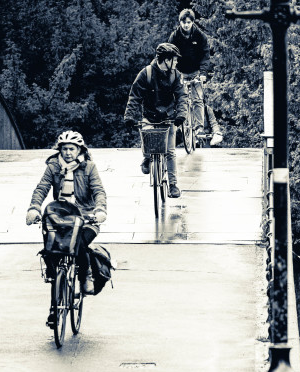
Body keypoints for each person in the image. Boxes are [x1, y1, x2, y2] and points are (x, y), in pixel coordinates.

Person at [25, 130, 107, 327]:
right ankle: (54, 307)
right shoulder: (53, 166)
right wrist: (34, 208)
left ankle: (86, 275)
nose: (68, 152)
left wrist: (100, 210)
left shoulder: (89, 167)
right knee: (51, 251)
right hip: (61, 217)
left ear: (80, 149)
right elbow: (42, 188)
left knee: (78, 243)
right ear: (59, 150)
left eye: (72, 148)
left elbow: (98, 190)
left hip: (86, 217)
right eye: (64, 149)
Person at [123, 42, 185, 198]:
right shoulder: (146, 74)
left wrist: (181, 115)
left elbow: (182, 96)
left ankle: (172, 185)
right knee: (147, 134)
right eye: (174, 59)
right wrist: (129, 116)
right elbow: (134, 96)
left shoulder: (176, 75)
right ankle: (147, 157)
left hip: (170, 118)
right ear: (165, 59)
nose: (176, 62)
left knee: (170, 151)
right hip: (150, 116)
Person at [168, 8, 224, 146]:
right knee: (180, 99)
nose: (186, 25)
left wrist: (203, 74)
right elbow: (168, 55)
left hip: (195, 72)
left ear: (192, 22)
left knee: (198, 99)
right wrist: (172, 72)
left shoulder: (200, 36)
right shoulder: (174, 37)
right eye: (183, 22)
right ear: (180, 22)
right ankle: (182, 125)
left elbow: (205, 55)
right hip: (180, 71)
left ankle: (199, 128)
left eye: (188, 22)